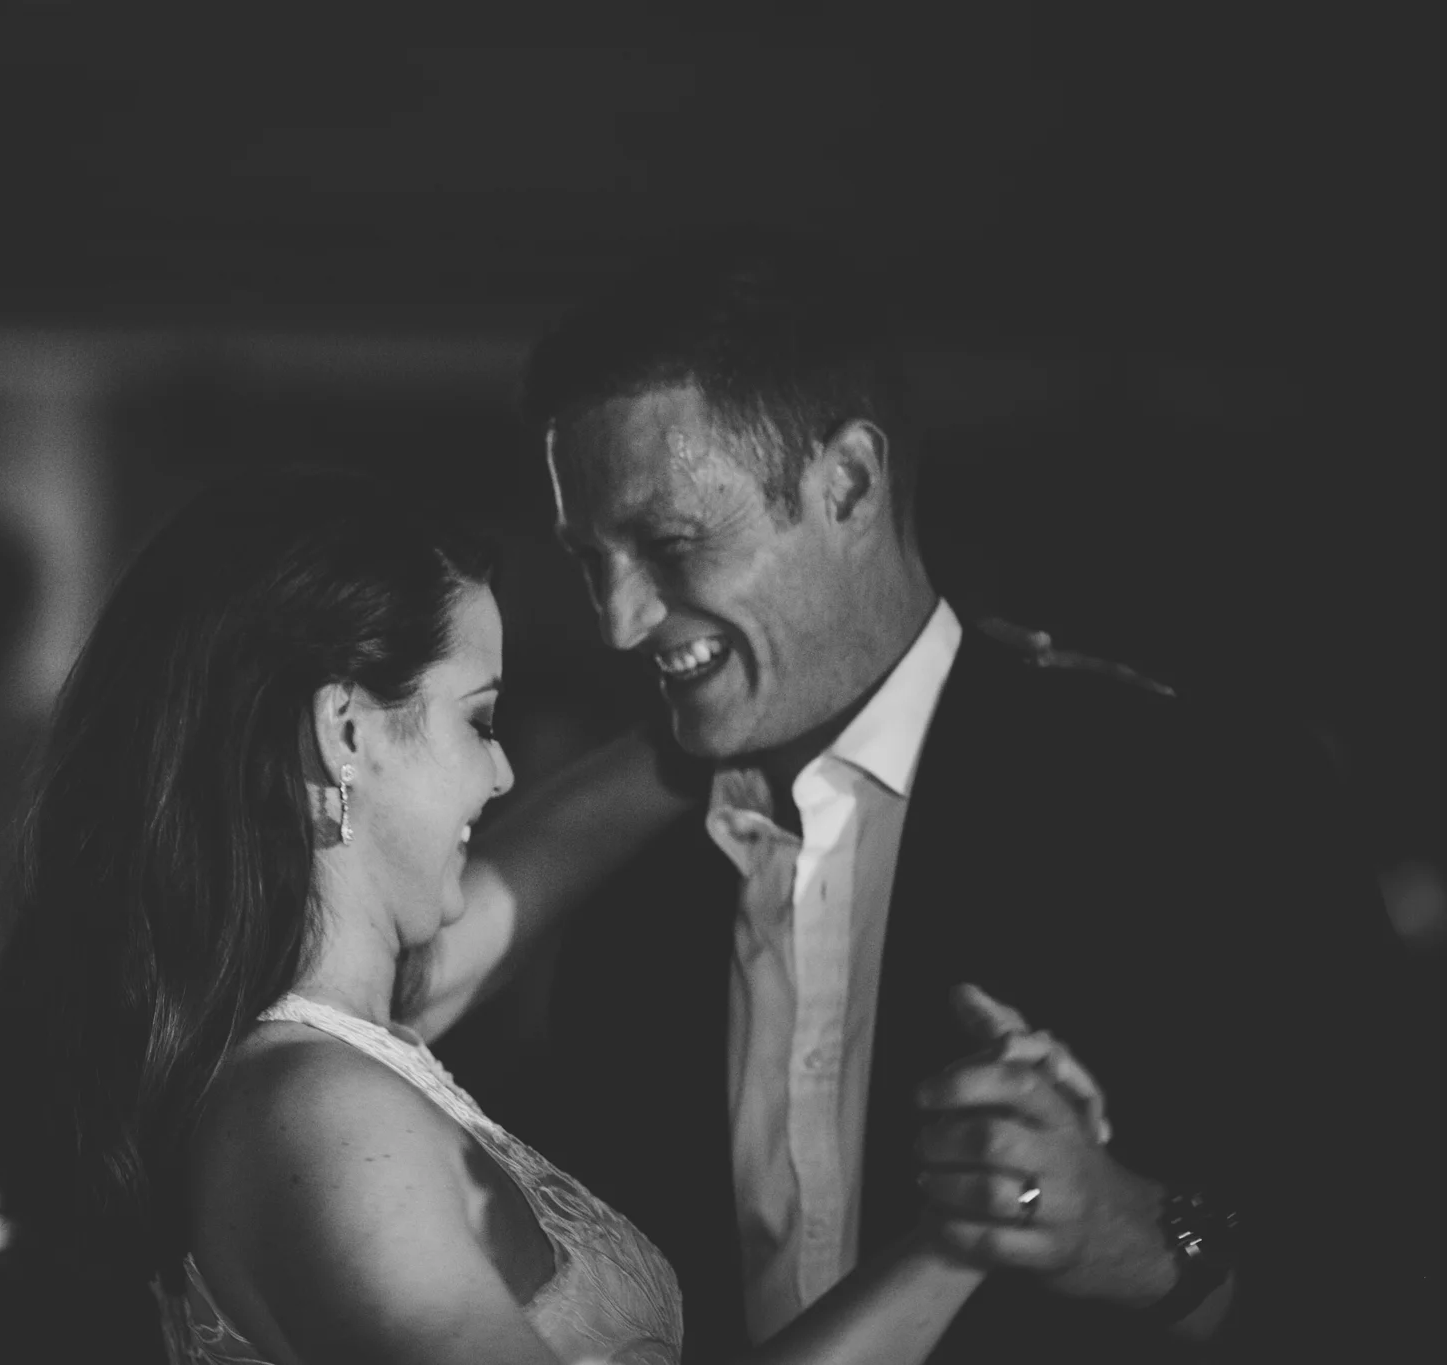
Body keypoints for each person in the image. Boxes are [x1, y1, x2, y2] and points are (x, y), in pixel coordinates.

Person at [0, 469, 1125, 1364]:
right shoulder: (322, 1119)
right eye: (479, 719)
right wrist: (963, 1236)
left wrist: (758, 697)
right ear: (345, 732)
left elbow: (531, 874)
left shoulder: (334, 1051)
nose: (503, 774)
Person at [488, 259, 1437, 1361]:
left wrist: (1142, 1240)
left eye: (670, 543)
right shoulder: (629, 898)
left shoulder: (1204, 795)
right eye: (589, 559)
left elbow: (1395, 1276)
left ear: (849, 483)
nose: (616, 622)